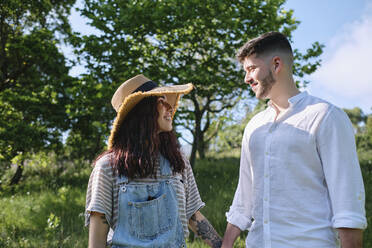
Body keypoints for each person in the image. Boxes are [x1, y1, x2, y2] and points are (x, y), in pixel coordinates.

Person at [221, 32, 367, 248]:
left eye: (251, 69)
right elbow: (244, 196)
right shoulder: (254, 126)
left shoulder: (325, 116)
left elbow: (347, 206)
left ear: (276, 64)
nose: (246, 78)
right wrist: (226, 244)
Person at [85, 74, 222, 248]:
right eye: (161, 102)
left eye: (169, 102)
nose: (170, 108)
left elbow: (193, 215)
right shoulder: (107, 167)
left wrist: (222, 245)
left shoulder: (178, 162)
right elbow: (98, 229)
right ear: (143, 112)